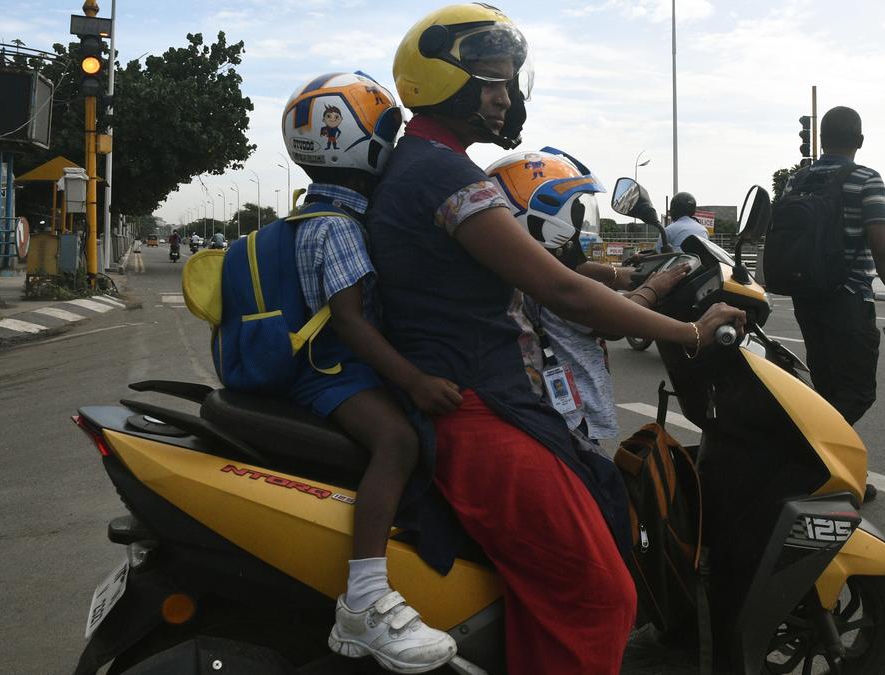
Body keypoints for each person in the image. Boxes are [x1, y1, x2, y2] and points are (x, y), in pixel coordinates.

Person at [370, 6, 746, 673]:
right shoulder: (445, 175)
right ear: (437, 78)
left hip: (479, 402)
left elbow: (561, 271)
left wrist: (630, 275)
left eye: (508, 81)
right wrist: (690, 330)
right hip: (481, 413)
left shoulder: (426, 163)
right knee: (600, 594)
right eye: (489, 78)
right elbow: (563, 290)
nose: (504, 96)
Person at [279, 72, 458, 672]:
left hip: (313, 367)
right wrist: (414, 381)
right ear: (358, 141)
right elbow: (352, 323)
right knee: (399, 440)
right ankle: (364, 598)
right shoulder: (340, 227)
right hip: (332, 371)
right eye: (388, 128)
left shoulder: (308, 218)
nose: (397, 137)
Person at [486, 147, 688, 444]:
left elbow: (573, 266)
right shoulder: (551, 287)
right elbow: (614, 323)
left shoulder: (522, 270)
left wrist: (619, 275)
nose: (582, 221)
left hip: (553, 413)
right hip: (568, 419)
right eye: (576, 210)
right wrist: (653, 291)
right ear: (543, 216)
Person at [784, 106, 885, 499]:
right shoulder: (866, 179)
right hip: (849, 297)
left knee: (826, 387)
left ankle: (830, 475)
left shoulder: (797, 180)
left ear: (822, 140)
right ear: (859, 141)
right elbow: (883, 249)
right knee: (858, 392)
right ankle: (802, 463)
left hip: (807, 298)